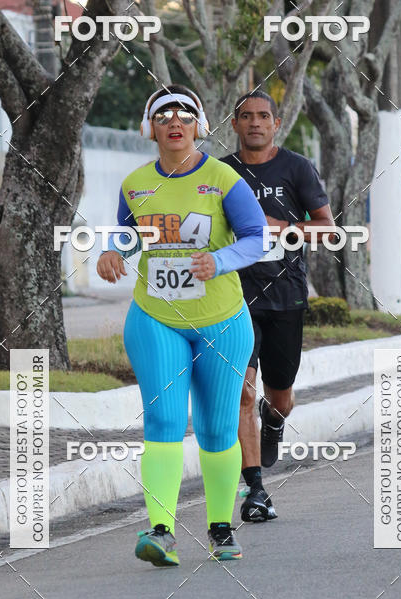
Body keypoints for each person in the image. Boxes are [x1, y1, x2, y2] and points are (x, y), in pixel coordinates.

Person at [96, 84, 267, 566]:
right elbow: (129, 232)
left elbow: (257, 238)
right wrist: (112, 250)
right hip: (156, 319)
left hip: (221, 321)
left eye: (186, 115)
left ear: (199, 126)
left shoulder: (223, 179)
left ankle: (220, 529)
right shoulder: (135, 183)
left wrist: (220, 260)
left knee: (217, 428)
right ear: (150, 128)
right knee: (164, 421)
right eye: (164, 115)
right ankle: (161, 531)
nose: (175, 122)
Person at [221, 90, 335, 522]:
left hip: (286, 296)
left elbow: (327, 229)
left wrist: (282, 226)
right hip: (234, 298)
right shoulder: (221, 172)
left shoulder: (296, 167)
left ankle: (274, 420)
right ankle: (256, 490)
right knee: (241, 392)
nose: (255, 123)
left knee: (280, 397)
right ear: (234, 123)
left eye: (263, 116)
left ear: (276, 123)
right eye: (246, 116)